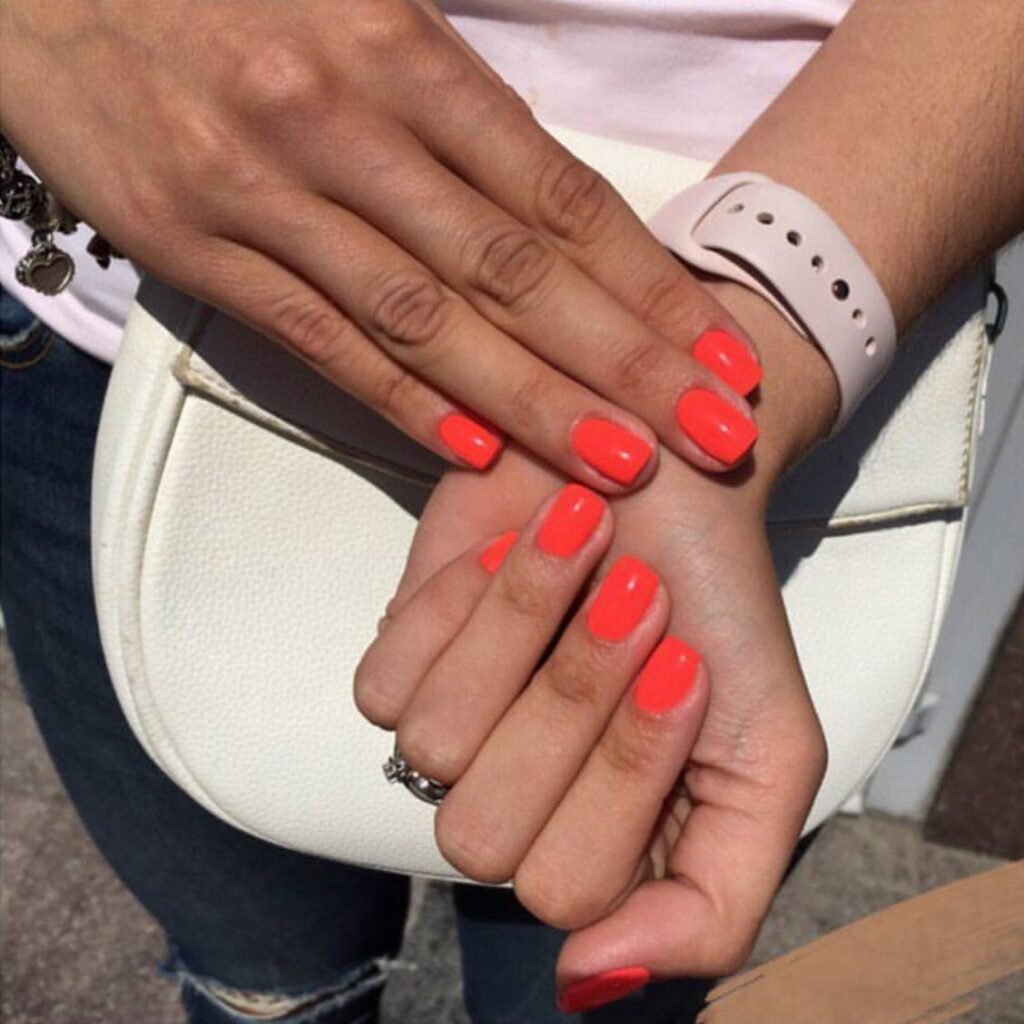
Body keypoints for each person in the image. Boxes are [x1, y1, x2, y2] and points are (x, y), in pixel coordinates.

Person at [2, 1, 1022, 1021]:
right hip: (117, 313)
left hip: (786, 367)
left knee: (584, 978)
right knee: (260, 969)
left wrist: (774, 305)